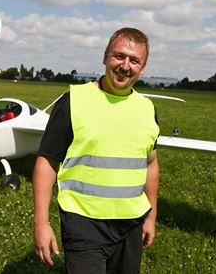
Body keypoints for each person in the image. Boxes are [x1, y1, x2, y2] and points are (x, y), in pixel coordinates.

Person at [33, 27, 160, 273]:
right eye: (119, 56)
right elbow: (46, 162)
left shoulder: (147, 108)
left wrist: (151, 217)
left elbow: (151, 164)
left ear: (142, 68)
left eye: (134, 60)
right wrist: (41, 223)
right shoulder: (73, 100)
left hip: (131, 224)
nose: (125, 66)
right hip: (84, 223)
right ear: (105, 57)